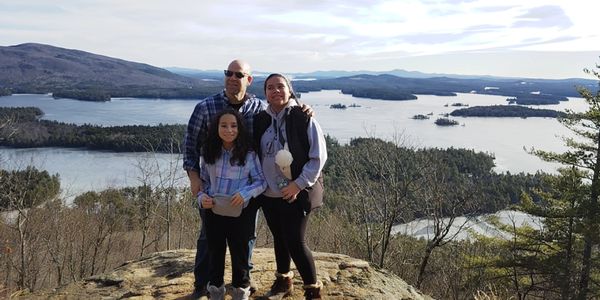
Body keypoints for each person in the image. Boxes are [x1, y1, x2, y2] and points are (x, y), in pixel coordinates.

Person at [183, 60, 312, 299]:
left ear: (248, 80)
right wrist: (194, 179)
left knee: (246, 236)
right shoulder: (205, 107)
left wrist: (301, 108)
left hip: (248, 190)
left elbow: (280, 111)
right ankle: (204, 285)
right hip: (213, 189)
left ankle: (243, 281)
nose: (233, 77)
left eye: (239, 74)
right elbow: (190, 146)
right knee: (209, 237)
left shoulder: (257, 108)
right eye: (228, 73)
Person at [253, 74, 327, 300]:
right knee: (279, 237)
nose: (275, 91)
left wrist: (298, 185)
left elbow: (318, 157)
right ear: (265, 92)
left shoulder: (303, 118)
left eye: (280, 86)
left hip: (296, 193)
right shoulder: (261, 119)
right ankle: (284, 281)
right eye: (270, 88)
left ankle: (313, 290)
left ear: (289, 90)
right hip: (269, 192)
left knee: (295, 241)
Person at [198, 109, 267, 300]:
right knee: (215, 254)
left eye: (234, 125)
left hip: (240, 213)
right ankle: (216, 292)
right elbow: (202, 182)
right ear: (216, 128)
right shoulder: (208, 151)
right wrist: (202, 198)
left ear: (240, 128)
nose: (229, 130)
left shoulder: (249, 153)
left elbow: (261, 182)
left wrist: (245, 194)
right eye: (224, 125)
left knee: (241, 257)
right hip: (214, 211)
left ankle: (240, 292)